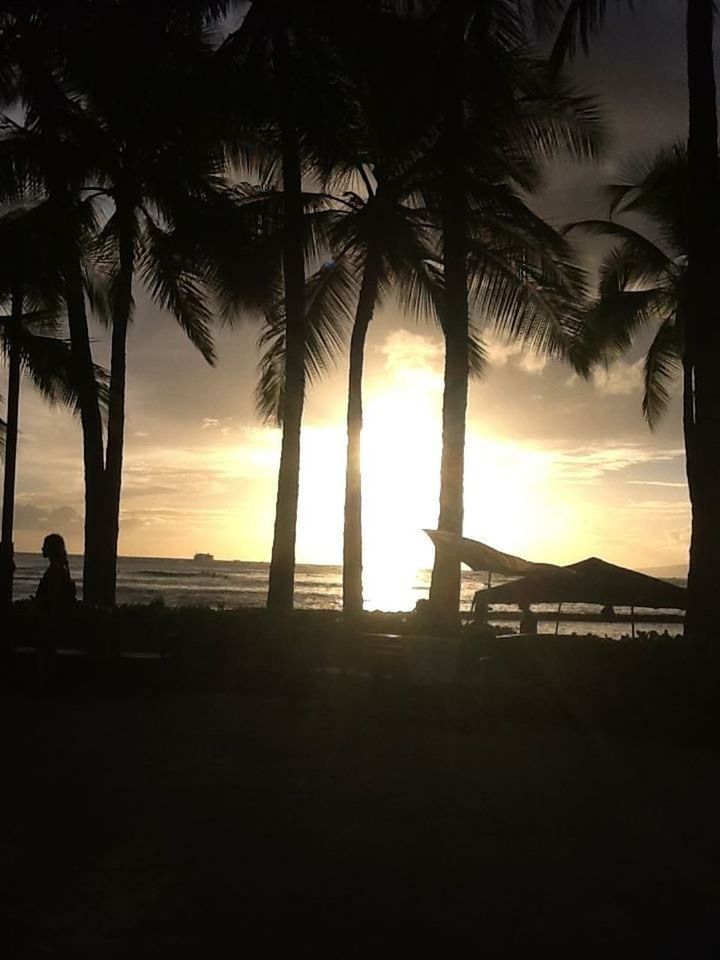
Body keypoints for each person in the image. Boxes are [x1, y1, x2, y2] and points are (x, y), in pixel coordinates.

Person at [35, 533, 76, 685]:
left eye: (44, 545)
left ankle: (46, 684)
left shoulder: (56, 571)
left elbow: (53, 597)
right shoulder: (60, 569)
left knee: (46, 655)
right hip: (51, 621)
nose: (41, 548)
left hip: (49, 622)